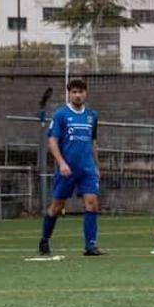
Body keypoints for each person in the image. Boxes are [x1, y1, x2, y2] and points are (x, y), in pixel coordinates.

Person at [39, 78, 104, 256]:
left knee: (92, 203)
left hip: (87, 169)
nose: (77, 95)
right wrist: (61, 163)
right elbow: (52, 141)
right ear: (69, 93)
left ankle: (91, 246)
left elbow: (93, 142)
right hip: (67, 169)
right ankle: (44, 240)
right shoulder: (61, 115)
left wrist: (97, 167)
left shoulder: (92, 116)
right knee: (57, 207)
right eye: (74, 92)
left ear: (86, 93)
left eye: (81, 92)